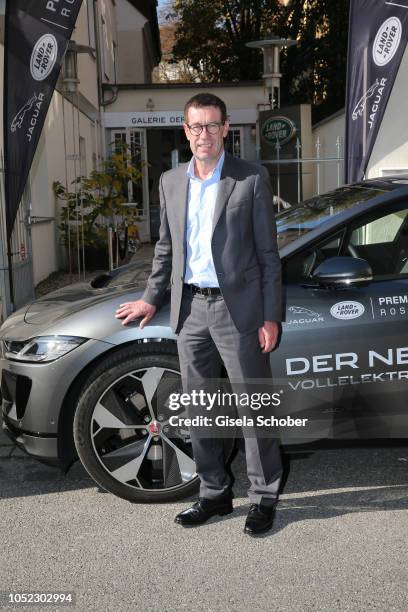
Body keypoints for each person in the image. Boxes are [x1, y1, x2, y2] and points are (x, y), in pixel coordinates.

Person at [115, 92, 283, 536]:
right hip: (190, 310)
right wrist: (152, 297)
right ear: (185, 130)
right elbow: (166, 249)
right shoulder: (171, 181)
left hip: (238, 310)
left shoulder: (251, 178)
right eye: (195, 126)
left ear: (227, 128)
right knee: (202, 409)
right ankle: (214, 494)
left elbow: (268, 254)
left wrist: (270, 315)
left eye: (211, 125)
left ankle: (263, 497)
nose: (203, 134)